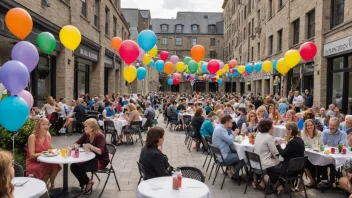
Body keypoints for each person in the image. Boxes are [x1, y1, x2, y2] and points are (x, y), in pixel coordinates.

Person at [71, 118, 109, 194]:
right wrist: (75, 145)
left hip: (100, 160)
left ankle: (87, 183)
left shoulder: (99, 136)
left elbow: (100, 151)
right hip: (90, 158)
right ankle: (87, 181)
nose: (84, 128)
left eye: (86, 126)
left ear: (92, 127)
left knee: (80, 168)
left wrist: (90, 146)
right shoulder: (87, 134)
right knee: (73, 166)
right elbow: (77, 142)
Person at [266, 122, 305, 195]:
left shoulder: (292, 142)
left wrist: (278, 145)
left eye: (286, 130)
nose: (285, 131)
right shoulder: (300, 140)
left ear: (290, 131)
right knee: (278, 164)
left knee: (268, 167)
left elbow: (283, 154)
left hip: (289, 171)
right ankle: (285, 184)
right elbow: (292, 152)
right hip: (298, 170)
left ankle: (278, 186)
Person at [26, 118, 61, 189]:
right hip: (34, 162)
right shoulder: (32, 137)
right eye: (43, 124)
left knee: (56, 166)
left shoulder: (48, 135)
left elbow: (50, 149)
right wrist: (42, 153)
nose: (46, 126)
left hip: (45, 159)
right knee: (46, 168)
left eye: (47, 124)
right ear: (38, 125)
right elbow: (32, 155)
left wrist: (56, 151)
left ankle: (52, 185)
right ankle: (42, 188)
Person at [212, 115, 244, 180]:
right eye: (231, 122)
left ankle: (231, 171)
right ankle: (235, 174)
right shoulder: (221, 129)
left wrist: (230, 130)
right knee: (242, 157)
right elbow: (230, 140)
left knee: (237, 152)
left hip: (219, 155)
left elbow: (228, 137)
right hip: (223, 157)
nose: (232, 124)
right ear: (227, 122)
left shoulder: (220, 127)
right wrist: (234, 134)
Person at [320, 117, 347, 187]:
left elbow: (341, 146)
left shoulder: (343, 134)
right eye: (330, 125)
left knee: (334, 162)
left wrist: (331, 149)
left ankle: (332, 181)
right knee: (321, 159)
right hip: (327, 155)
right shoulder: (325, 132)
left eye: (334, 125)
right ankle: (324, 179)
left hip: (337, 155)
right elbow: (321, 144)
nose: (331, 127)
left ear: (338, 126)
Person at [253, 119, 280, 188]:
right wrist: (278, 145)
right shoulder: (269, 137)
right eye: (272, 126)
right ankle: (271, 181)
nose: (273, 128)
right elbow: (275, 152)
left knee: (275, 159)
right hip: (263, 164)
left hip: (255, 163)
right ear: (269, 128)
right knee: (281, 161)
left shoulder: (258, 134)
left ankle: (261, 181)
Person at [301, 119, 322, 188]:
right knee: (305, 163)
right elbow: (302, 145)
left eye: (311, 125)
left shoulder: (319, 133)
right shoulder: (303, 133)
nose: (310, 127)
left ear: (314, 125)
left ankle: (317, 180)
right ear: (306, 127)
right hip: (306, 154)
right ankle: (312, 181)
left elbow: (321, 145)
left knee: (318, 163)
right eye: (308, 125)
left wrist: (318, 147)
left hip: (316, 153)